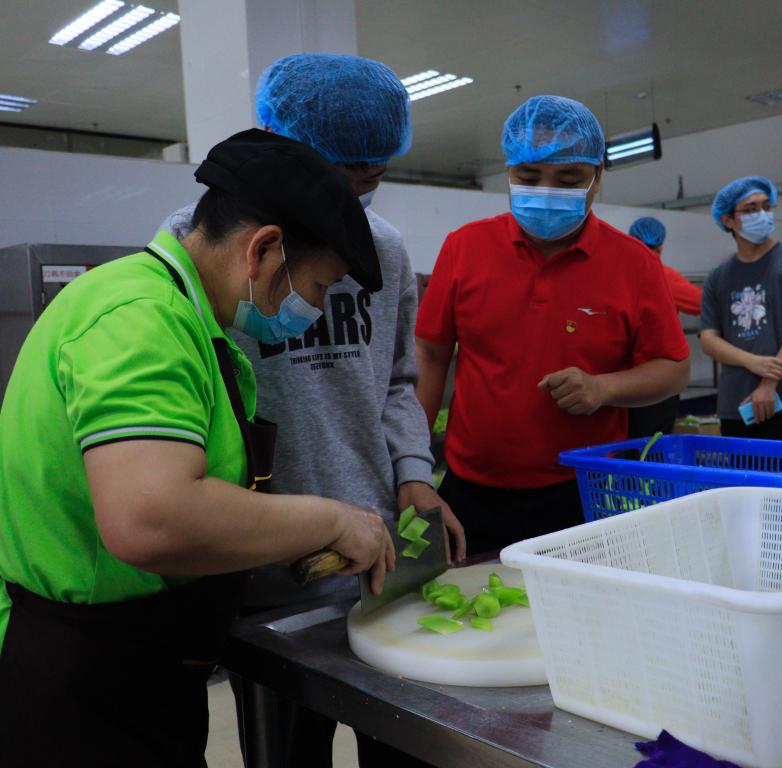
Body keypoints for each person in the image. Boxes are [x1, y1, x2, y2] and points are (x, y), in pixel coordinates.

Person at [0, 129, 394, 768]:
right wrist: (333, 520)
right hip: (80, 681)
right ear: (263, 249)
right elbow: (151, 518)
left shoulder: (181, 315)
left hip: (135, 663)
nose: (315, 309)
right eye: (319, 287)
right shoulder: (140, 319)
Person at [160, 53, 460, 768]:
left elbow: (397, 378)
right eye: (339, 174)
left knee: (404, 743)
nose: (353, 196)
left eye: (371, 178)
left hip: (375, 548)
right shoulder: (200, 249)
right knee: (286, 749)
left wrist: (413, 475)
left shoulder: (382, 249)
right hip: (263, 562)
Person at [416, 95, 691, 557]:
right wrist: (413, 464)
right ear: (508, 172)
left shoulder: (634, 264)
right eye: (528, 178)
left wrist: (604, 388)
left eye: (568, 179)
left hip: (584, 490)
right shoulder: (464, 248)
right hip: (470, 488)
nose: (545, 192)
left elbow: (674, 369)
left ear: (597, 176)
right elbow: (430, 355)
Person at [699, 175, 782, 441]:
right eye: (750, 209)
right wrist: (751, 361)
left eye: (766, 207)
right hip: (735, 406)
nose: (762, 215)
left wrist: (769, 382)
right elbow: (709, 339)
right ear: (728, 220)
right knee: (741, 470)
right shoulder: (718, 277)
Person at [627, 215, 703, 437]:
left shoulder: (615, 274)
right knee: (653, 448)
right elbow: (703, 303)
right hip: (657, 380)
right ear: (661, 246)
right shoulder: (663, 275)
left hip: (619, 382)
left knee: (623, 447)